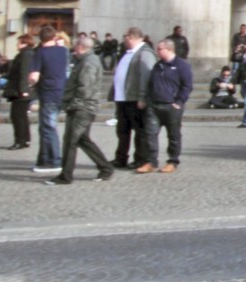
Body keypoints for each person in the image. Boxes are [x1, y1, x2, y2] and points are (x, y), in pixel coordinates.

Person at [54, 35, 115, 185]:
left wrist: (73, 103)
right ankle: (106, 167)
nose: (74, 51)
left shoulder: (88, 63)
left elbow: (85, 88)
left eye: (75, 47)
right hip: (82, 106)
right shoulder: (84, 60)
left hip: (82, 107)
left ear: (81, 47)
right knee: (82, 139)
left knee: (70, 140)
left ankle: (66, 175)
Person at [139, 37, 192, 173]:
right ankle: (151, 161)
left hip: (171, 106)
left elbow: (187, 85)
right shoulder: (158, 65)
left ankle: (172, 161)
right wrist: (147, 99)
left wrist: (179, 101)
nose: (156, 51)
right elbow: (150, 83)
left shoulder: (182, 65)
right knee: (150, 134)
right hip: (154, 105)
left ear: (169, 49)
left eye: (159, 49)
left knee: (173, 135)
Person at [110, 28, 155, 168]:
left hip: (134, 98)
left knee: (139, 130)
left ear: (130, 37)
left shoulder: (145, 53)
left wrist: (142, 97)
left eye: (125, 37)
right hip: (122, 98)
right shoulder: (128, 53)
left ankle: (140, 158)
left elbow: (146, 77)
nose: (123, 40)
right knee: (122, 130)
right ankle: (120, 158)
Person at [30, 29, 70, 174]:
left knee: (48, 128)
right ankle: (43, 158)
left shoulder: (40, 53)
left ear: (40, 39)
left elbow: (34, 76)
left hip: (47, 93)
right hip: (61, 92)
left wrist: (31, 82)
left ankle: (54, 160)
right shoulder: (63, 51)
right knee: (45, 127)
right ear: (54, 37)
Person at [4, 33, 37, 149]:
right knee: (22, 116)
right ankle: (25, 139)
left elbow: (24, 73)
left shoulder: (25, 55)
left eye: (18, 42)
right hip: (22, 89)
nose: (17, 45)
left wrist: (23, 90)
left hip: (20, 90)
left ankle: (20, 140)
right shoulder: (27, 54)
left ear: (24, 43)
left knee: (17, 116)